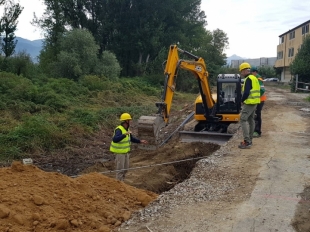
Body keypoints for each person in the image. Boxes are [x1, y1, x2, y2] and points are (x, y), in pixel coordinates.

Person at [109, 113, 148, 181]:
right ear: (126, 121)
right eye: (130, 120)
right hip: (120, 153)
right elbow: (115, 139)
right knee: (120, 170)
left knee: (125, 169)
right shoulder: (119, 129)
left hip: (126, 152)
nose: (131, 121)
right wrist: (124, 135)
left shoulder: (127, 129)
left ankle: (122, 182)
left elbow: (131, 138)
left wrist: (140, 141)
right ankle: (119, 184)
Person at [238, 62, 261, 149]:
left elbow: (247, 92)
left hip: (249, 103)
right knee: (251, 120)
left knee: (243, 119)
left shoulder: (248, 79)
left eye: (241, 71)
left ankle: (247, 141)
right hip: (255, 102)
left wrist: (242, 101)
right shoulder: (254, 78)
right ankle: (250, 140)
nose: (241, 73)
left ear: (244, 70)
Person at [250, 66, 267, 137]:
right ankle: (254, 130)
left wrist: (255, 97)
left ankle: (257, 131)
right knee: (254, 115)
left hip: (259, 100)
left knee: (257, 115)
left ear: (255, 72)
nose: (251, 74)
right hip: (257, 100)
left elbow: (262, 90)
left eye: (251, 72)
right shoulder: (254, 78)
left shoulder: (258, 79)